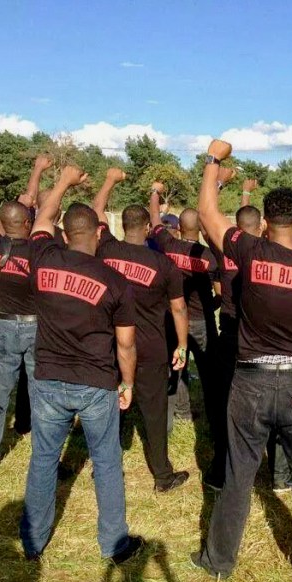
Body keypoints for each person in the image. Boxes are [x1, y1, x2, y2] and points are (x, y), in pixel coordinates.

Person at [192, 140, 292, 582]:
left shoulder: (250, 251)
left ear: (266, 221)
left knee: (239, 474)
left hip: (251, 380)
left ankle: (218, 560)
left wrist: (213, 161)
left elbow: (206, 213)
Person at [20, 165, 141, 563]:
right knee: (106, 462)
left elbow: (41, 218)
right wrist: (128, 383)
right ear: (99, 233)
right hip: (96, 382)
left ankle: (33, 542)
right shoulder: (115, 281)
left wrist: (63, 182)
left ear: (65, 234)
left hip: (49, 379)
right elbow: (125, 345)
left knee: (42, 458)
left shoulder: (42, 258)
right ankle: (113, 544)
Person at [92, 168, 191, 493]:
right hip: (150, 347)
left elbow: (96, 212)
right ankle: (162, 476)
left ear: (121, 226)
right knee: (154, 410)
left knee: (108, 407)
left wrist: (109, 182)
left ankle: (102, 468)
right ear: (148, 228)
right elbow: (178, 308)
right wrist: (181, 344)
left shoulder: (106, 250)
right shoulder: (164, 265)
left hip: (109, 344)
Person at [0, 156, 53, 471]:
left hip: (3, 325)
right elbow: (42, 216)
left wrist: (33, 175)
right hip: (35, 328)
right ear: (27, 224)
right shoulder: (38, 252)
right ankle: (43, 458)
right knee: (40, 396)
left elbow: (7, 219)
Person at [204, 174, 263, 490]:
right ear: (262, 228)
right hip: (256, 339)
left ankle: (219, 470)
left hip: (228, 335)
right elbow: (248, 226)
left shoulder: (221, 251)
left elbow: (210, 221)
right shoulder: (265, 252)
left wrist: (222, 186)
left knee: (226, 403)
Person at [147, 187, 220, 431]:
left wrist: (155, 194)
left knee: (174, 368)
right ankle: (214, 423)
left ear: (178, 229)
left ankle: (175, 416)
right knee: (210, 375)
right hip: (202, 321)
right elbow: (220, 293)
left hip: (171, 319)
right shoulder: (210, 257)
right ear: (200, 230)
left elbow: (155, 220)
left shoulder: (168, 245)